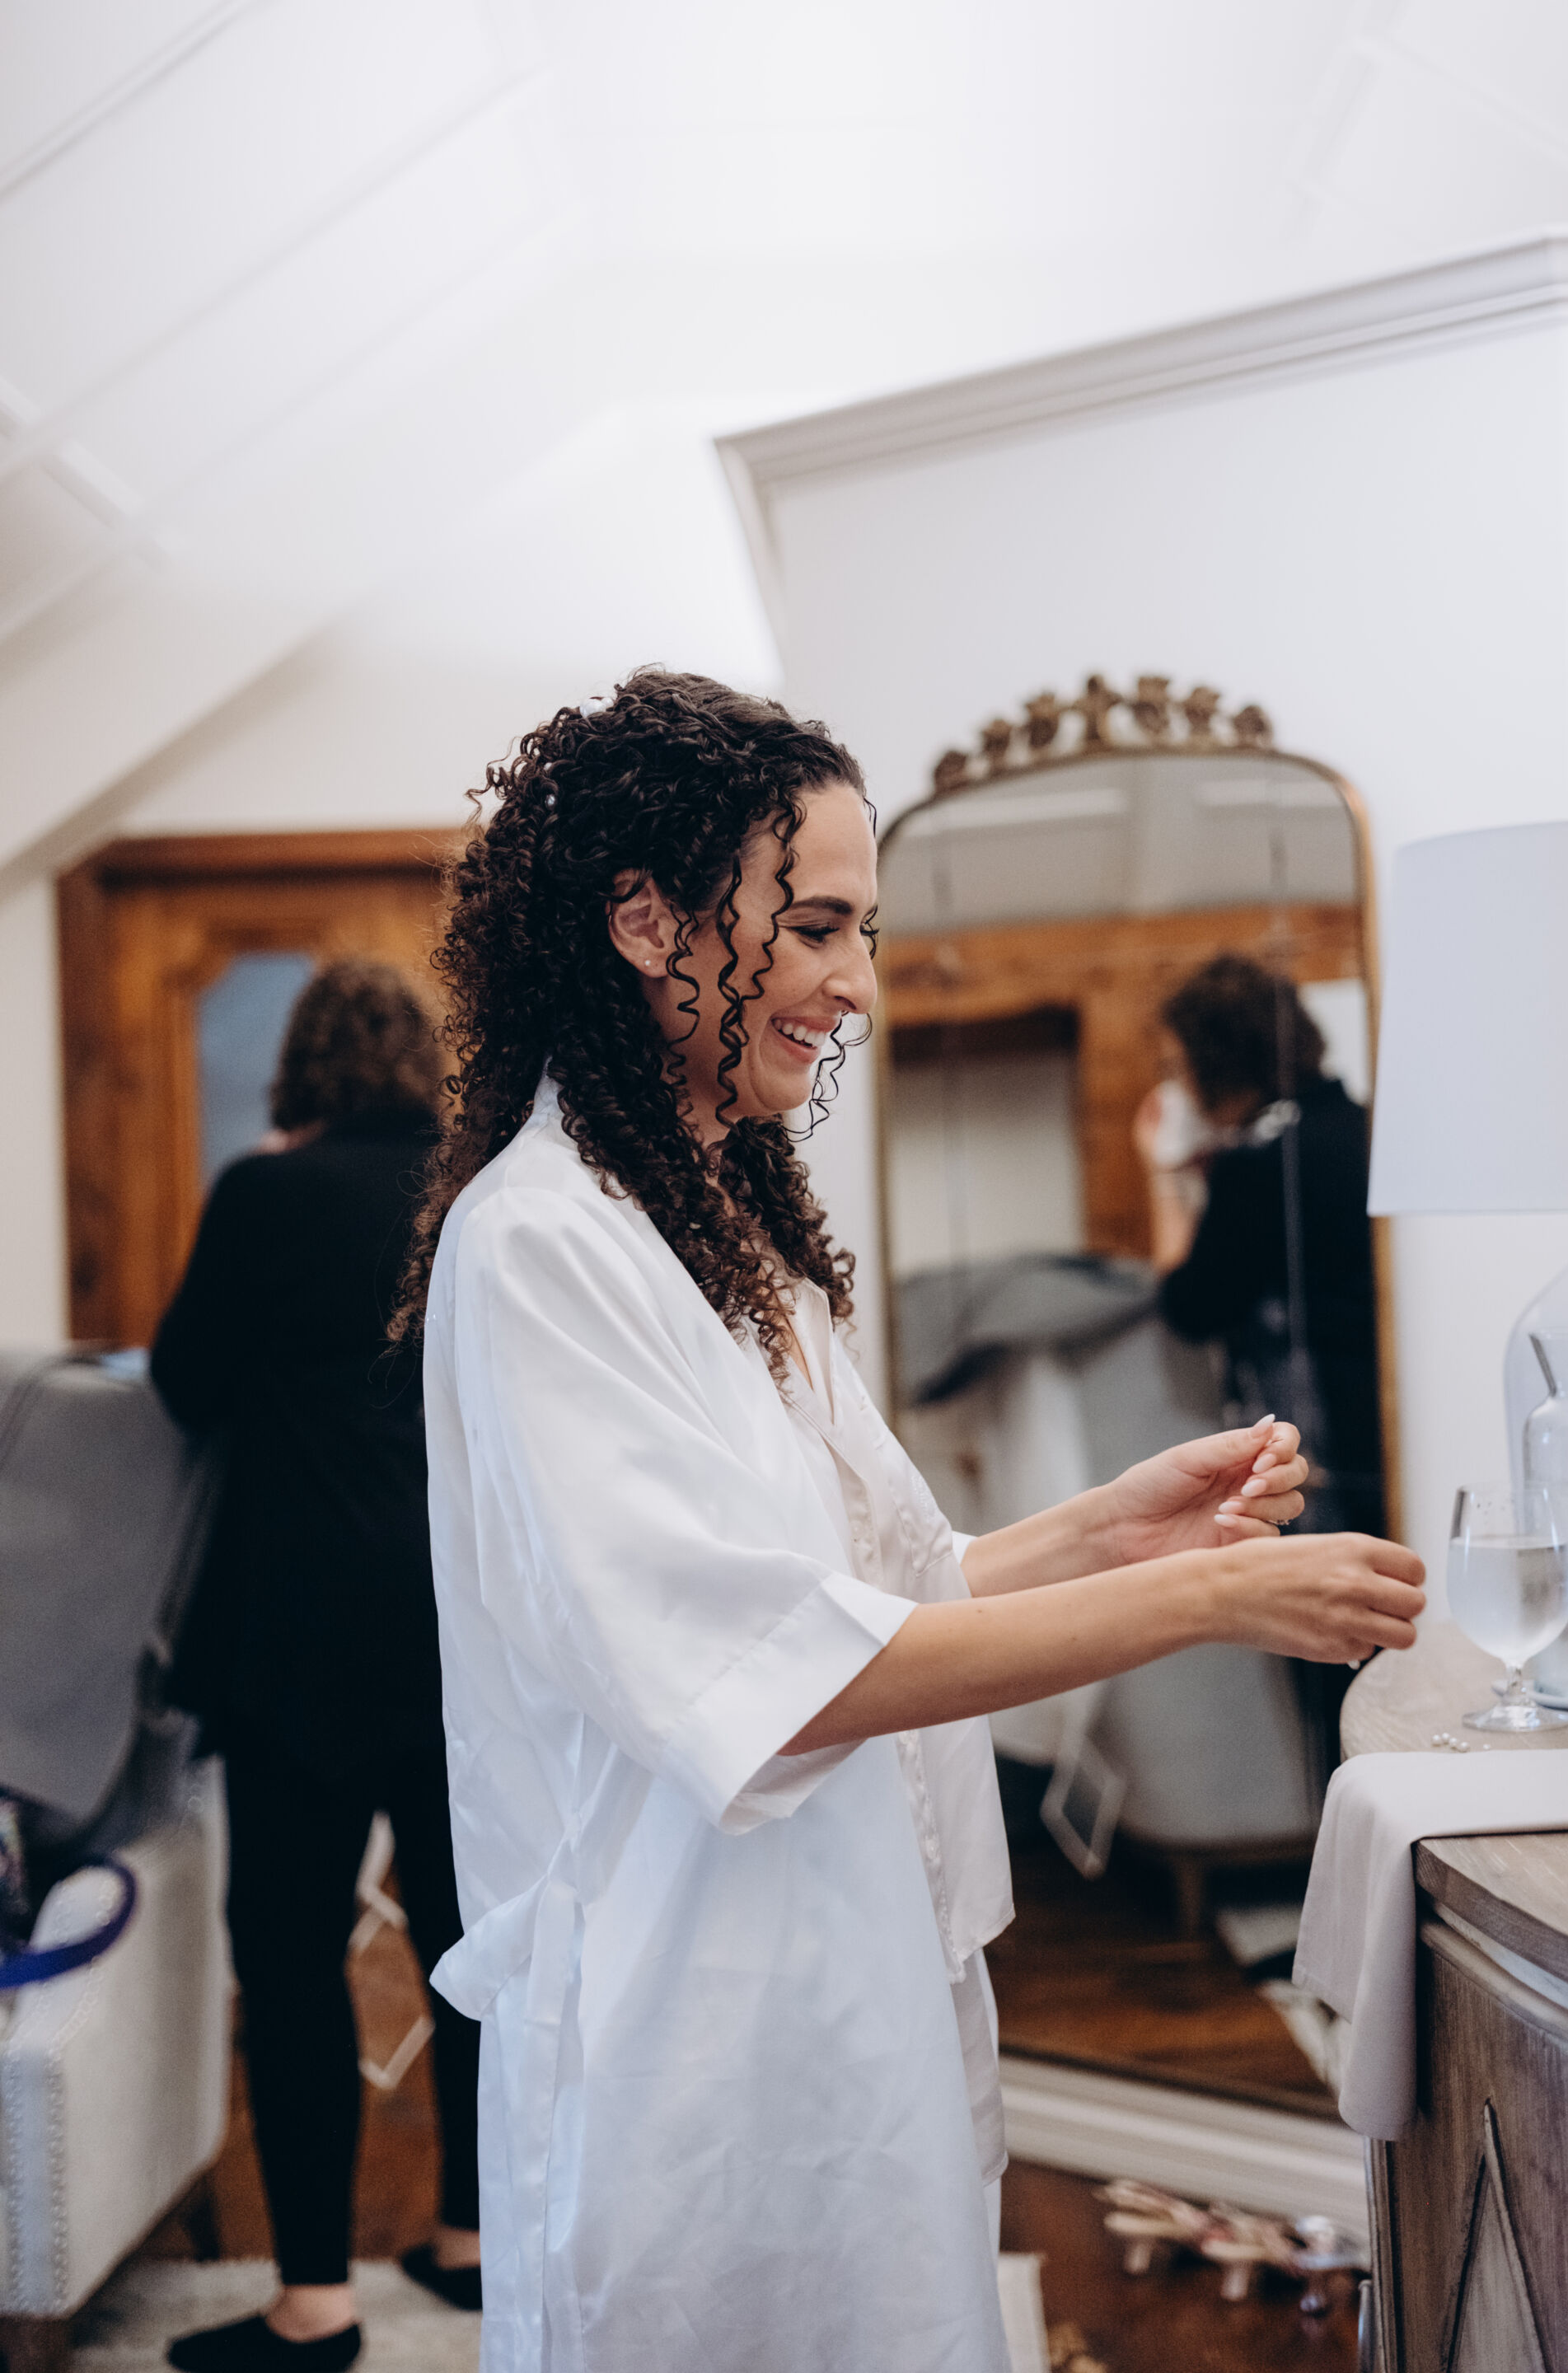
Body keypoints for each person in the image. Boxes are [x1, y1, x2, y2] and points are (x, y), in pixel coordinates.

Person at [399, 671, 1424, 2373]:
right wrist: (1210, 1611)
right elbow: (782, 1680)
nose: (856, 985)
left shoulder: (727, 1237)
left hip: (855, 1984)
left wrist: (1117, 1534)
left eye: (861, 934)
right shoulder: (541, 1251)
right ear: (646, 922)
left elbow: (880, 1591)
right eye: (814, 928)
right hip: (699, 2037)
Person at [152, 959, 480, 2373]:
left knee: (290, 1962)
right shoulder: (478, 1195)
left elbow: (185, 1385)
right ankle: (473, 2241)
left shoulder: (264, 1196)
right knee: (476, 1951)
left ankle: (314, 2304)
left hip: (294, 1638)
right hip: (468, 1634)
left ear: (302, 1075)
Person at [1134, 953, 1384, 1541]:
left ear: (1215, 1061)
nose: (1179, 1087)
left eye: (1177, 1067)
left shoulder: (1258, 1164)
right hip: (1378, 1416)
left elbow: (1192, 1307)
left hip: (1324, 1439)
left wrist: (1160, 1175)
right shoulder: (1357, 1124)